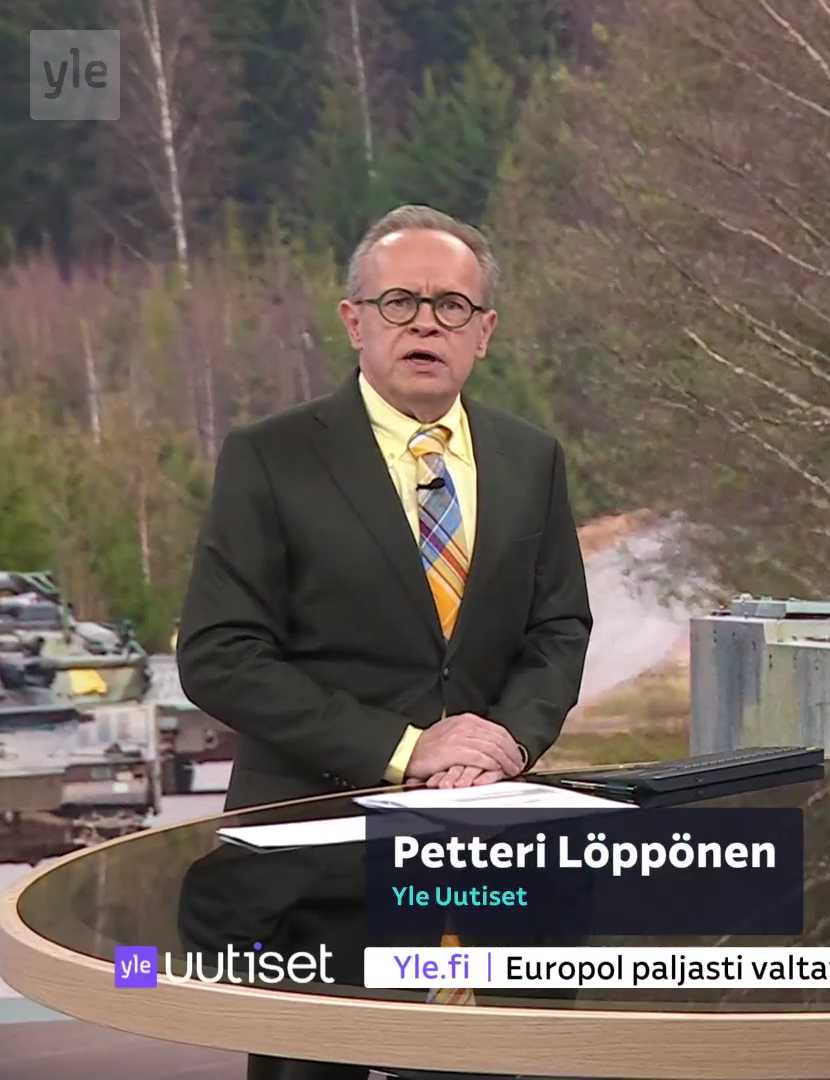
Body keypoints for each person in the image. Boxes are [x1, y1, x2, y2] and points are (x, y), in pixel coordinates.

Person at [177, 203, 592, 1080]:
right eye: (400, 302)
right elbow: (220, 654)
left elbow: (557, 628)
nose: (425, 324)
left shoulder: (531, 459)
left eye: (451, 306)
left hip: (487, 861)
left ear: (485, 332)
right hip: (313, 868)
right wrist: (406, 749)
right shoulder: (270, 458)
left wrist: (507, 742)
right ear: (354, 321)